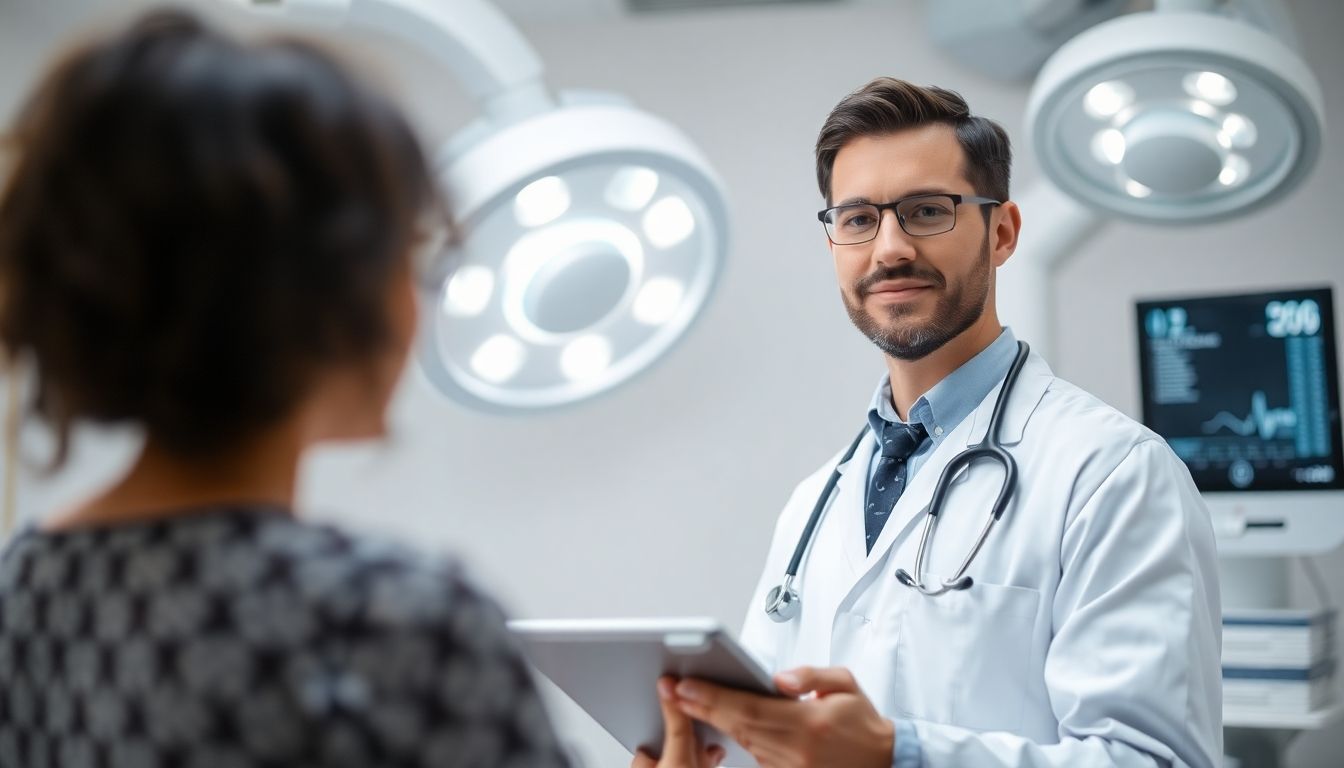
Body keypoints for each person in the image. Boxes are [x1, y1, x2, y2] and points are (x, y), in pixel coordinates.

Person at [0, 10, 721, 768]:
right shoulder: (389, 624)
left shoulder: (23, 590)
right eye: (408, 252)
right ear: (321, 291)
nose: (420, 296)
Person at [646, 78, 1222, 767]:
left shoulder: (1113, 473)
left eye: (925, 211)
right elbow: (776, 742)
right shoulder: (814, 504)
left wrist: (900, 754)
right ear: (833, 243)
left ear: (1002, 231)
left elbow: (1157, 760)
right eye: (858, 219)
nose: (888, 248)